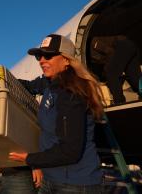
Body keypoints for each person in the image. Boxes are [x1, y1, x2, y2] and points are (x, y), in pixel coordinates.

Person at [9, 34, 104, 193]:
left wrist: (30, 159)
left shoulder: (72, 92)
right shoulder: (49, 83)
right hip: (51, 177)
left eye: (48, 55)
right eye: (39, 56)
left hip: (75, 184)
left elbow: (69, 151)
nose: (41, 60)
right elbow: (26, 86)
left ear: (66, 60)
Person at [90, 35, 141, 104]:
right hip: (130, 47)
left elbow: (110, 52)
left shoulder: (93, 43)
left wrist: (108, 70)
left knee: (111, 73)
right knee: (135, 79)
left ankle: (119, 102)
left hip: (123, 45)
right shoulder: (91, 59)